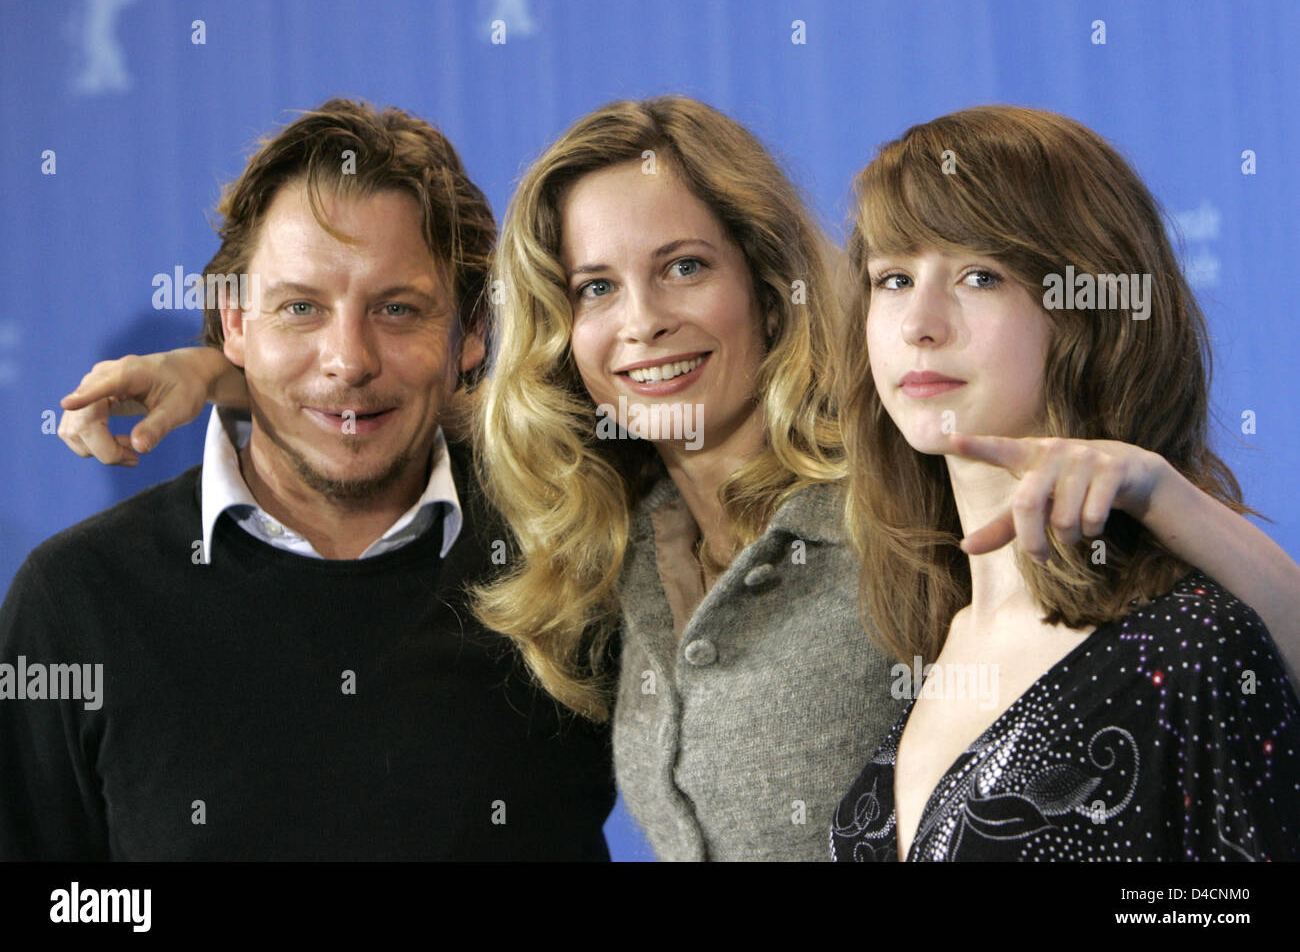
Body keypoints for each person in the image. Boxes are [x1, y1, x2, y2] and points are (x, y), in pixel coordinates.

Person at [58, 97, 1300, 863]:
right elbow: (373, 402)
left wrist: (1161, 494)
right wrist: (230, 372)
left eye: (685, 268)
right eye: (596, 287)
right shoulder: (580, 534)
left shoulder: (902, 490)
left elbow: (1226, 660)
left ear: (770, 282)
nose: (641, 322)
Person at [0, 98, 615, 860]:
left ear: (473, 334)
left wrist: (227, 377)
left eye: (398, 309)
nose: (348, 360)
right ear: (234, 324)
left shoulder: (572, 551)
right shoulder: (77, 598)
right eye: (299, 308)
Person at [829, 105, 1300, 861]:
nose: (920, 321)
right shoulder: (929, 636)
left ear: (1092, 311)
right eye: (893, 277)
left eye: (980, 276)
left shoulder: (1190, 645)